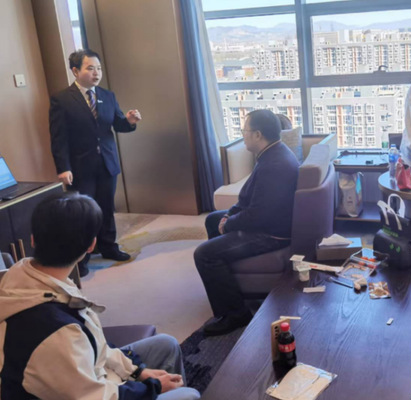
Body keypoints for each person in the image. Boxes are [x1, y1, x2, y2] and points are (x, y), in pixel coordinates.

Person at [0, 192, 200, 400]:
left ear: (33, 239)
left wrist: (137, 371)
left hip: (91, 374)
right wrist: (154, 387)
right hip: (92, 391)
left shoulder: (25, 275)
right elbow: (94, 397)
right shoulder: (55, 331)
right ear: (91, 246)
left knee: (166, 344)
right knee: (189, 396)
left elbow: (97, 343)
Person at [194, 109, 299, 336]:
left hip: (271, 234)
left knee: (204, 254)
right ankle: (224, 285)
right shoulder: (272, 153)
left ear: (258, 134)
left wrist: (229, 224)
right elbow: (248, 198)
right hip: (266, 223)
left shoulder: (274, 165)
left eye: (245, 130)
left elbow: (258, 215)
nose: (243, 134)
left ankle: (235, 314)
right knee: (213, 219)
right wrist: (227, 216)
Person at [49, 49, 141, 276]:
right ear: (75, 71)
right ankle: (82, 257)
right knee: (83, 213)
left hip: (107, 162)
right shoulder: (62, 99)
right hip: (80, 166)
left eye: (98, 68)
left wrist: (130, 121)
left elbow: (118, 124)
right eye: (90, 68)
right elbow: (59, 138)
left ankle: (108, 246)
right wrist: (63, 167)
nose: (96, 73)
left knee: (106, 207)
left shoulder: (107, 95)